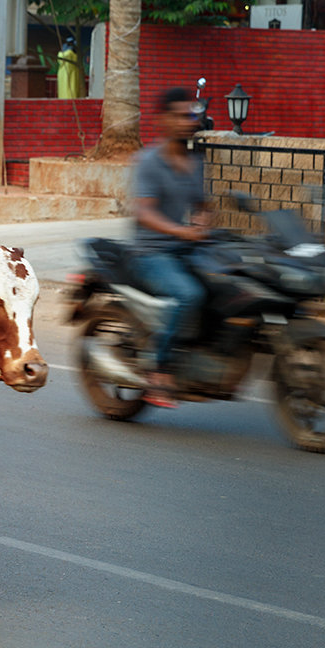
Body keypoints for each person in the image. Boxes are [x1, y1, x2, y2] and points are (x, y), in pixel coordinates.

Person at [131, 87, 212, 408]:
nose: (186, 121)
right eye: (178, 116)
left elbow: (203, 204)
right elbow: (144, 212)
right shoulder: (149, 162)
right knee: (189, 294)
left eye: (190, 115)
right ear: (162, 120)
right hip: (151, 253)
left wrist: (204, 221)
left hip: (185, 248)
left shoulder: (194, 162)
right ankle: (157, 368)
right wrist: (182, 231)